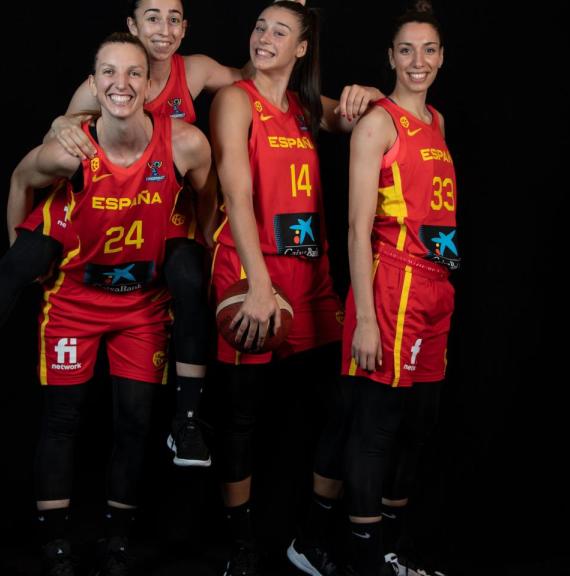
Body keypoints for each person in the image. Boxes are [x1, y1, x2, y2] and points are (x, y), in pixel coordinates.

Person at [0, 33, 217, 576]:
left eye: (132, 74)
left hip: (141, 304)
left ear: (149, 85)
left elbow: (208, 195)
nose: (121, 84)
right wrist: (18, 249)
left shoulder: (185, 143)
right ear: (94, 86)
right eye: (109, 75)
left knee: (134, 422)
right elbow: (20, 179)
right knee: (62, 419)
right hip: (75, 297)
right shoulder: (71, 149)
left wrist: (191, 237)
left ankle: (118, 542)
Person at [37, 0, 378, 469]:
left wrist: (371, 96)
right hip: (127, 227)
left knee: (330, 404)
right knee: (37, 266)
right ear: (132, 25)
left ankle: (195, 425)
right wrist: (60, 123)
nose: (163, 27)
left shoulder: (199, 73)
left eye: (173, 18)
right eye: (260, 27)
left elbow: (333, 108)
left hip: (240, 243)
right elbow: (53, 143)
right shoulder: (113, 85)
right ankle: (190, 420)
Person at [209, 2, 383, 574]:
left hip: (311, 282)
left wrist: (365, 94)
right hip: (248, 273)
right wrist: (257, 284)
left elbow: (370, 119)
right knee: (240, 418)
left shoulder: (308, 107)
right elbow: (236, 194)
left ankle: (308, 537)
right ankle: (240, 546)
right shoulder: (236, 99)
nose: (263, 36)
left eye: (280, 31)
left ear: (302, 48)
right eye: (259, 25)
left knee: (342, 409)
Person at [287, 6, 455, 576]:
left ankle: (388, 549)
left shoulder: (436, 120)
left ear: (441, 58)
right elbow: (358, 227)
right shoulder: (378, 122)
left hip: (437, 288)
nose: (418, 61)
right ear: (390, 57)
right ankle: (367, 558)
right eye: (406, 50)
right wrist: (364, 320)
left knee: (415, 423)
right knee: (376, 422)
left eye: (429, 50)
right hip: (391, 284)